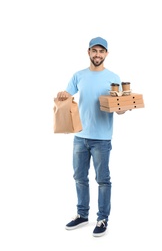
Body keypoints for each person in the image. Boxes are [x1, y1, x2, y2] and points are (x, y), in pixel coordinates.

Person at [57, 37, 126, 237]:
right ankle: (82, 215)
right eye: (94, 51)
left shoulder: (113, 77)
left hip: (102, 139)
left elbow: (119, 106)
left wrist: (123, 109)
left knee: (103, 179)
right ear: (88, 52)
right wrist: (63, 95)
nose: (97, 54)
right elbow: (67, 96)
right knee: (79, 177)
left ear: (106, 54)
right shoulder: (78, 75)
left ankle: (102, 218)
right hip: (80, 136)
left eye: (101, 51)